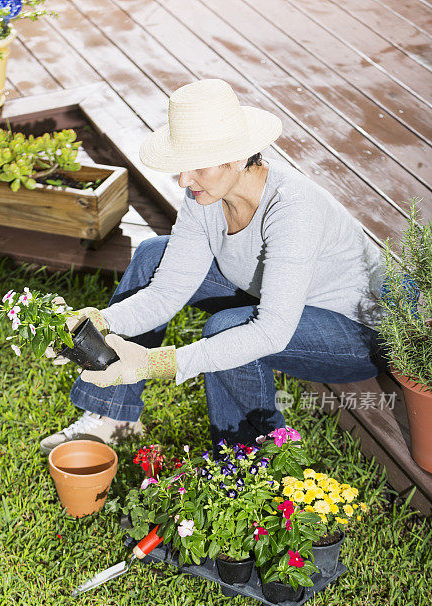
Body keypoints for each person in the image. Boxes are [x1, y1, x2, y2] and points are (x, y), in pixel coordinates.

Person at [40, 78, 388, 455]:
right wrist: (100, 321)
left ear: (239, 157)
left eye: (198, 168)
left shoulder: (293, 210)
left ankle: (247, 461)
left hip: (357, 332)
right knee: (153, 254)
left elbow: (271, 332)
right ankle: (114, 416)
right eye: (181, 166)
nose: (184, 180)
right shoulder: (204, 195)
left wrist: (154, 363)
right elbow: (166, 292)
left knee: (228, 328)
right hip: (281, 301)